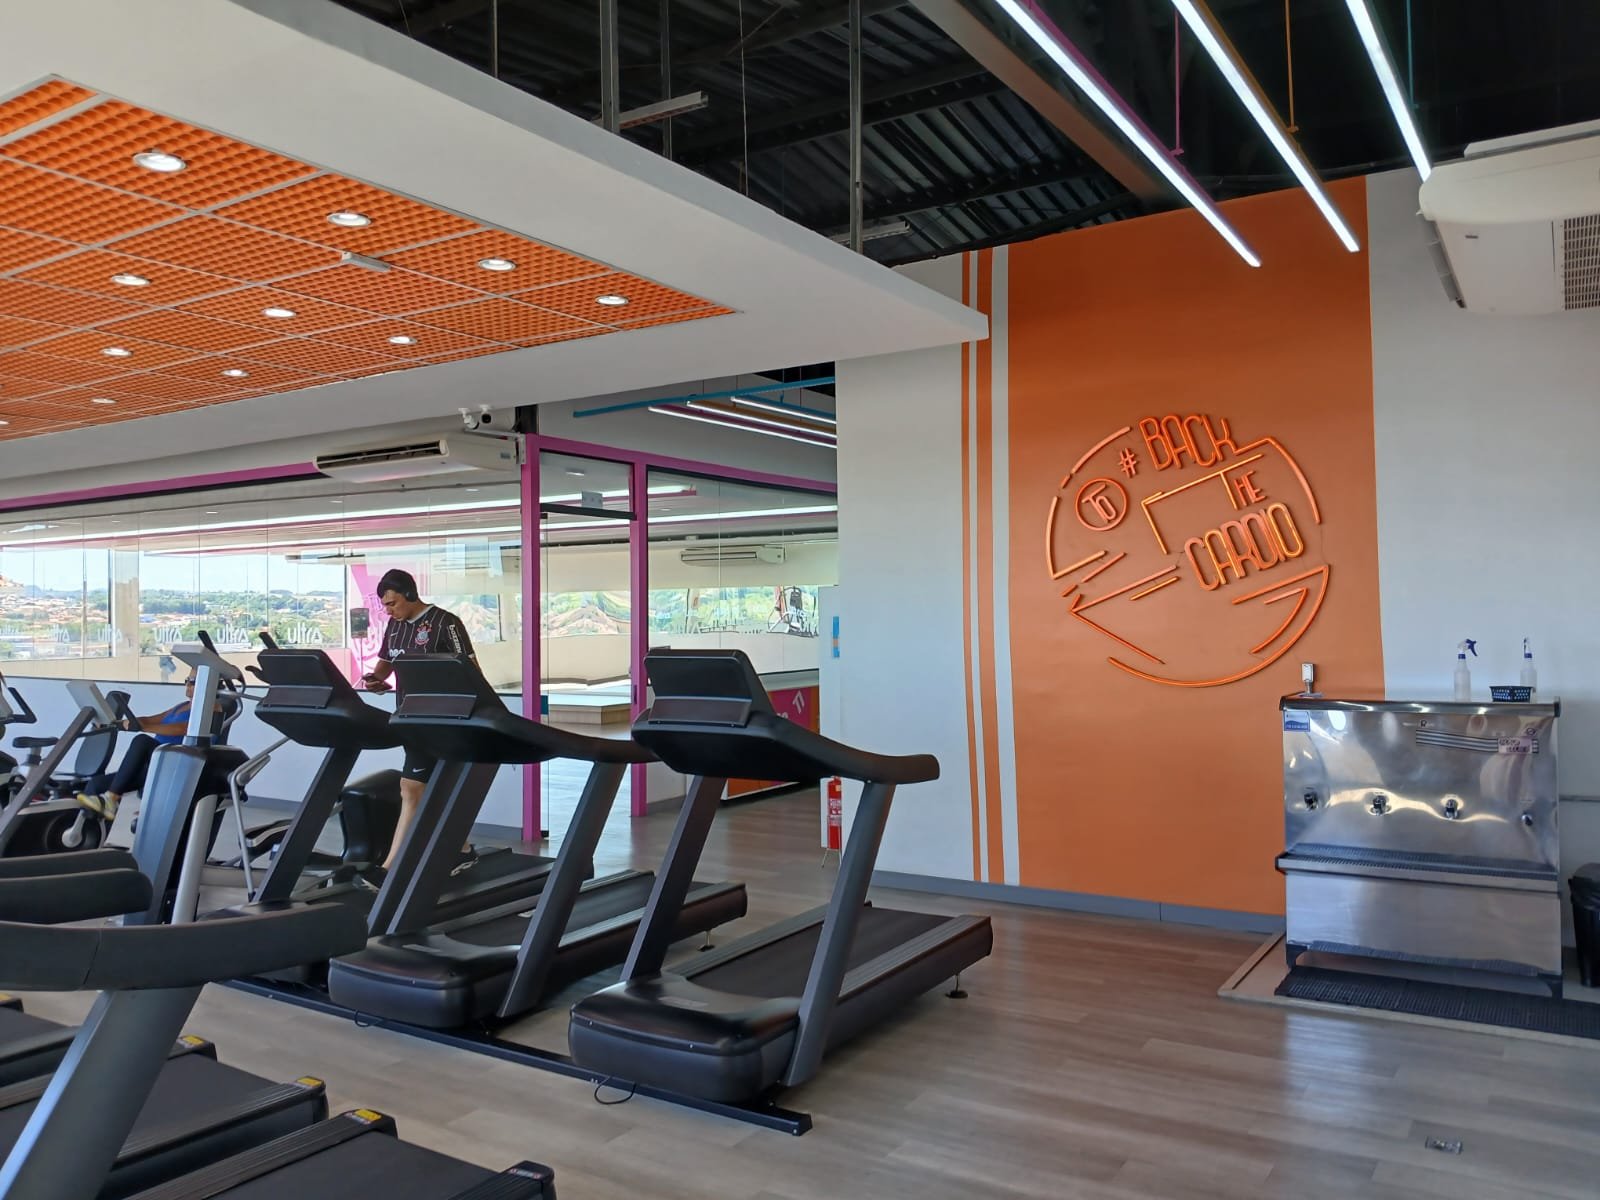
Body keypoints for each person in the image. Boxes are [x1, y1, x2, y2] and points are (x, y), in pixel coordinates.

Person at [359, 568, 479, 882]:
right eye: (385, 605)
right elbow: (385, 664)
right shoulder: (394, 626)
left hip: (444, 719)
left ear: (410, 595)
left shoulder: (445, 622)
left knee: (412, 787)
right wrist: (375, 680)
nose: (388, 610)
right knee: (424, 787)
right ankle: (463, 849)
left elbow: (471, 670)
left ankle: (390, 869)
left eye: (393, 603)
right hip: (410, 717)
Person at [77, 673, 216, 820]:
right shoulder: (181, 706)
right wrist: (117, 723)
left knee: (142, 741)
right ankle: (88, 827)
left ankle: (111, 798)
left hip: (174, 762)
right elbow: (149, 720)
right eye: (186, 680)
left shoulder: (212, 707)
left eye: (192, 681)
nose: (187, 684)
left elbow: (183, 729)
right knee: (96, 784)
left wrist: (142, 728)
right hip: (154, 763)